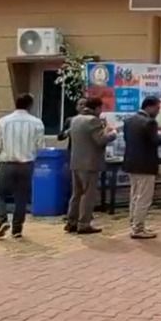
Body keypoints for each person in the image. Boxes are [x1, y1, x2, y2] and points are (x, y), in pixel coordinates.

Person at [0, 93, 45, 239]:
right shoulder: (37, 123)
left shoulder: (4, 121)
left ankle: (2, 220)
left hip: (8, 162)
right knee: (21, 196)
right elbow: (40, 145)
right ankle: (17, 228)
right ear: (30, 105)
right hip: (27, 164)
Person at [123, 97, 161, 239]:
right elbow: (155, 141)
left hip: (131, 163)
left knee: (134, 195)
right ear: (149, 107)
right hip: (145, 164)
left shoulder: (129, 121)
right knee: (144, 198)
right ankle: (138, 228)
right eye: (157, 108)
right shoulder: (150, 123)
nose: (158, 112)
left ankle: (134, 223)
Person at [64, 97, 116, 235]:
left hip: (75, 162)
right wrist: (112, 134)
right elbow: (100, 140)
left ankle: (71, 222)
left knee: (76, 194)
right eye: (100, 109)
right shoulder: (93, 121)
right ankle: (84, 223)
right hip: (90, 164)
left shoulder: (75, 119)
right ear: (97, 108)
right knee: (88, 194)